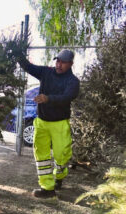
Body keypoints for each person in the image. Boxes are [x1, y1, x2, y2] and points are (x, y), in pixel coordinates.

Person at [18, 49, 80, 198]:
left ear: (70, 64)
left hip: (59, 123)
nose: (59, 65)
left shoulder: (73, 81)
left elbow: (67, 97)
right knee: (41, 156)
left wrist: (48, 98)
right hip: (41, 122)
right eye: (57, 61)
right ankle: (47, 188)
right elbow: (29, 67)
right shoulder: (46, 72)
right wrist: (17, 54)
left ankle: (59, 177)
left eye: (63, 62)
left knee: (62, 156)